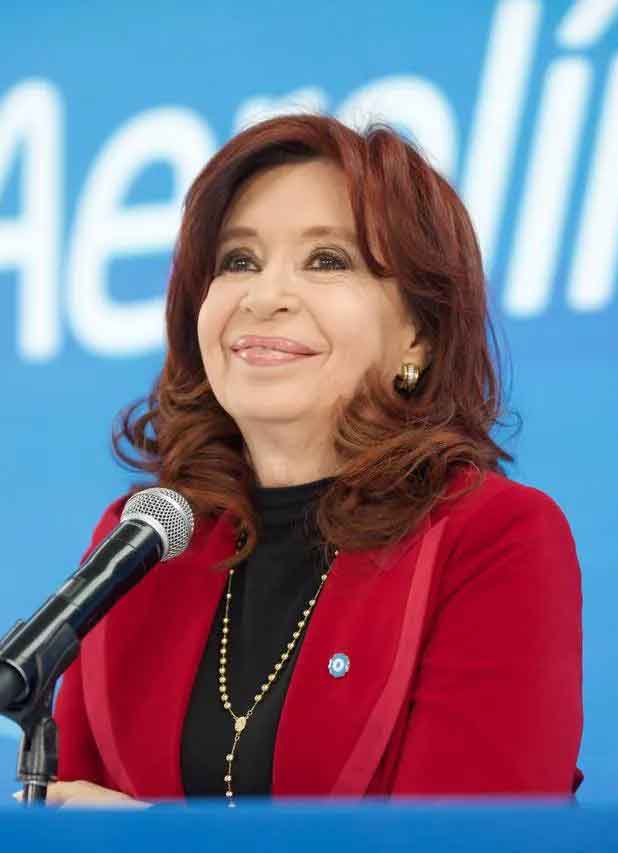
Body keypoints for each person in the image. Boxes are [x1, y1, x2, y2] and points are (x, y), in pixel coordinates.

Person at [49, 114, 583, 807]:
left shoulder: (492, 538)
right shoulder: (144, 544)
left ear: (418, 333)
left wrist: (154, 840)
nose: (264, 296)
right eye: (238, 260)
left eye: (327, 260)